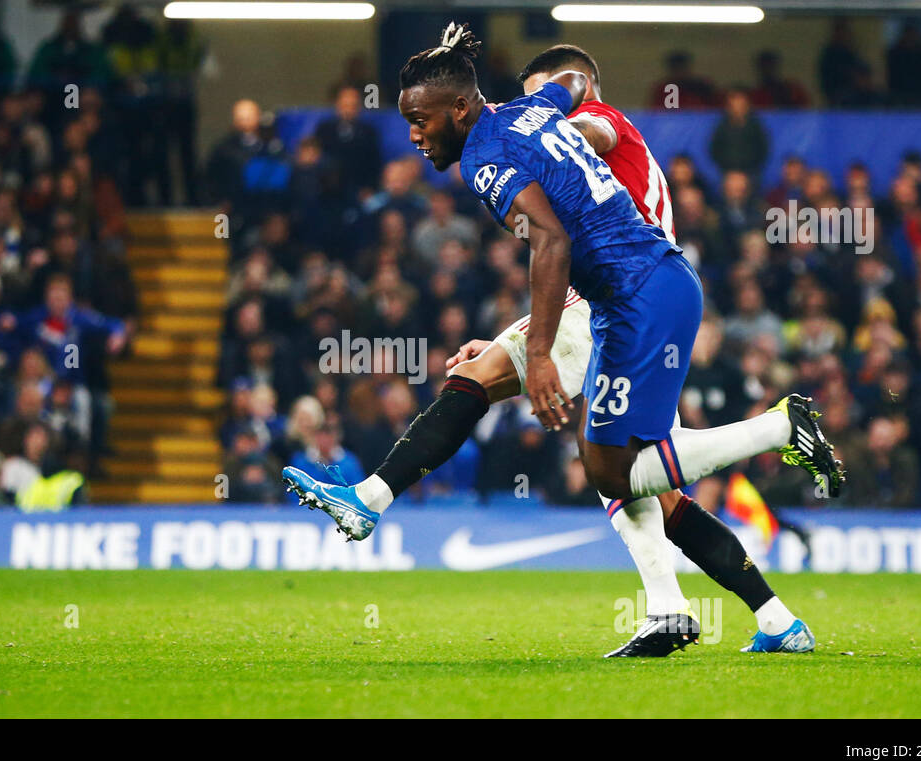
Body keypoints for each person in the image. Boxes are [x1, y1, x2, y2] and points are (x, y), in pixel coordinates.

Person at [284, 26, 843, 655]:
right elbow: (569, 85)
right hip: (631, 295)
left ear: (462, 110)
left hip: (636, 295)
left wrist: (540, 354)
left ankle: (775, 433)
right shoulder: (536, 109)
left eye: (420, 119)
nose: (413, 134)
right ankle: (754, 618)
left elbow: (554, 234)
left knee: (605, 463)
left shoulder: (498, 152)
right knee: (631, 476)